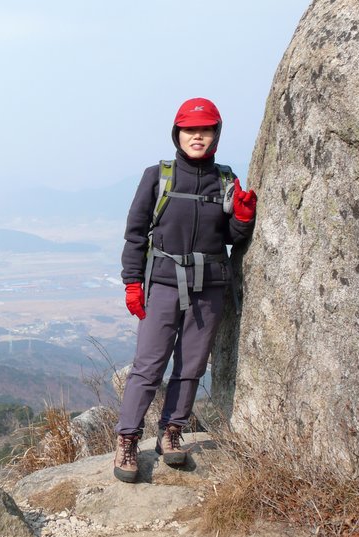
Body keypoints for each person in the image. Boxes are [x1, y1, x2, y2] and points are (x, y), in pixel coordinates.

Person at [113, 97, 257, 483]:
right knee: (148, 365)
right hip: (163, 283)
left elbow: (229, 238)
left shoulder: (226, 180)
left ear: (216, 134)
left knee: (191, 366)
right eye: (191, 129)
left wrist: (242, 217)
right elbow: (135, 234)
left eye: (206, 129)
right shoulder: (158, 176)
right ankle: (127, 438)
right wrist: (131, 282)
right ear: (177, 134)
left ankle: (171, 432)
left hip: (209, 287)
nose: (198, 136)